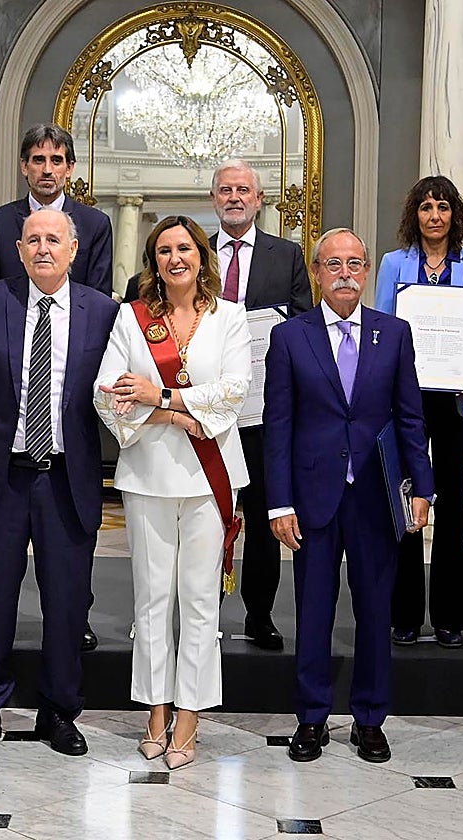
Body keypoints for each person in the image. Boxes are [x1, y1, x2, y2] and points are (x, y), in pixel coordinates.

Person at [0, 207, 118, 759]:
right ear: (19, 249)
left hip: (68, 478)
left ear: (73, 250)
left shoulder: (103, 311)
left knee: (66, 606)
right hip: (2, 475)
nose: (44, 248)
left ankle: (60, 712)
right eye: (33, 240)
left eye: (54, 240)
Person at [263, 228, 434, 764]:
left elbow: (410, 417)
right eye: (333, 264)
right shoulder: (291, 337)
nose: (345, 273)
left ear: (366, 273)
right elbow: (279, 426)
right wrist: (279, 501)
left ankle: (370, 718)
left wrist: (423, 488)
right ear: (316, 273)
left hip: (377, 498)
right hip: (312, 498)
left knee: (375, 612)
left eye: (355, 263)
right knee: (313, 612)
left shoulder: (395, 333)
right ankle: (311, 718)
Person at [94, 215, 252, 770]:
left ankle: (190, 715)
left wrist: (158, 397)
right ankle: (156, 712)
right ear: (152, 260)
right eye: (164, 250)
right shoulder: (130, 319)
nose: (175, 258)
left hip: (210, 479)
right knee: (153, 599)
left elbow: (233, 391)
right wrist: (179, 412)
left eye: (185, 248)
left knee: (201, 600)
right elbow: (107, 390)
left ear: (202, 254)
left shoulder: (230, 318)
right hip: (148, 475)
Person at [374, 175, 463, 648]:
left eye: (443, 208)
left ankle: (449, 616)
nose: (434, 216)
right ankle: (403, 613)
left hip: (457, 397)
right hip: (405, 397)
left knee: (452, 501)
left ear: (454, 216)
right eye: (426, 207)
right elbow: (383, 327)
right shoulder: (392, 264)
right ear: (415, 214)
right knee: (406, 499)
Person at [208, 159, 310, 651]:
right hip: (208, 410)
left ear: (259, 199)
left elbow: (304, 321)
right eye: (225, 190)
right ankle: (203, 612)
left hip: (267, 410)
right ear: (214, 199)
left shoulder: (286, 255)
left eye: (243, 190)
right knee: (207, 513)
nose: (234, 197)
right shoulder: (196, 254)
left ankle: (259, 614)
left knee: (268, 514)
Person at [0, 122, 113, 298]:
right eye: (39, 160)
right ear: (24, 166)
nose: (47, 170)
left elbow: (99, 301)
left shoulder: (95, 224)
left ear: (69, 168)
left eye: (56, 161)